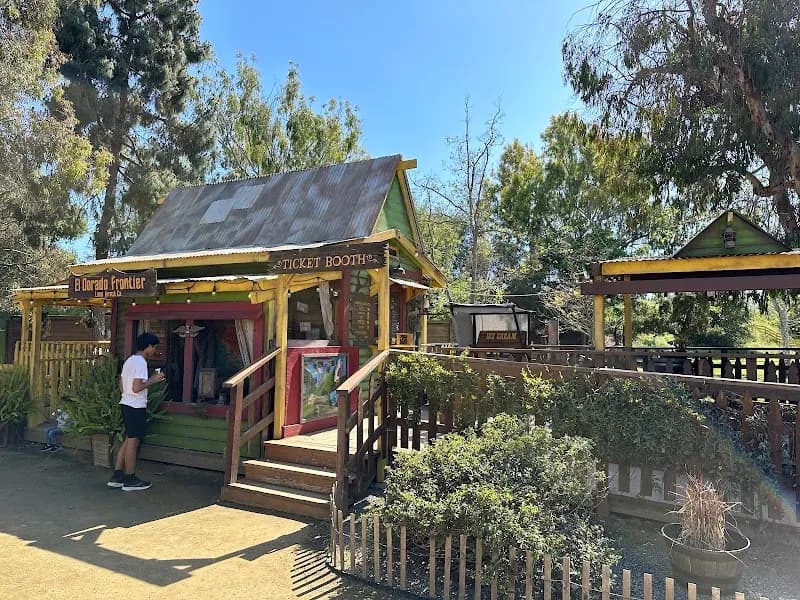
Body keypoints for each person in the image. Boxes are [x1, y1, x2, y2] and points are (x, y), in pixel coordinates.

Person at [107, 332, 165, 491]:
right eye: (154, 347)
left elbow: (121, 384)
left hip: (126, 402)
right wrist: (155, 379)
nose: (154, 351)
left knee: (128, 439)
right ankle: (130, 478)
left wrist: (128, 394)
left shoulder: (129, 361)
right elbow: (137, 387)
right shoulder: (140, 363)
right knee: (133, 442)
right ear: (148, 346)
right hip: (135, 406)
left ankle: (117, 475)